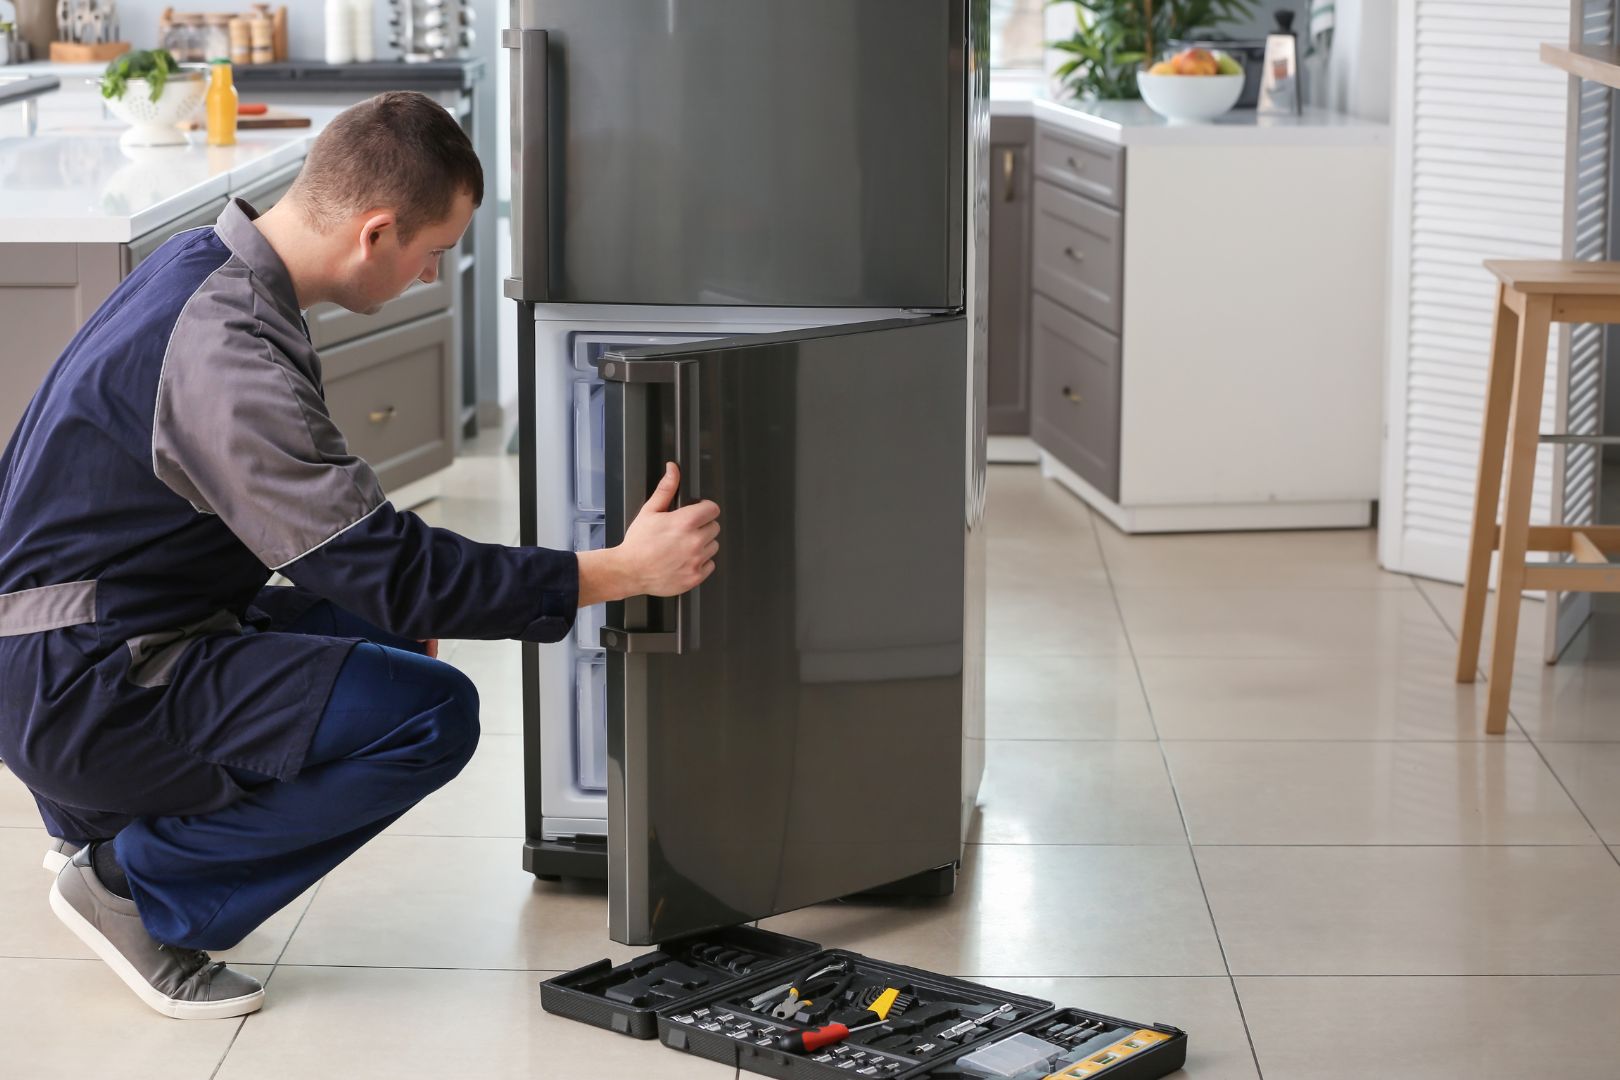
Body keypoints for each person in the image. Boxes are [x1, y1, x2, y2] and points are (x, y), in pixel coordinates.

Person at [0, 91, 720, 1020]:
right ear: (377, 232)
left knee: (394, 634)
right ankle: (131, 886)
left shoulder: (206, 264)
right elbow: (391, 569)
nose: (431, 275)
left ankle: (104, 822)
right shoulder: (230, 350)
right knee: (431, 714)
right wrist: (619, 571)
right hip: (82, 684)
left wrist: (414, 602)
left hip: (77, 640)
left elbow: (359, 561)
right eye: (433, 252)